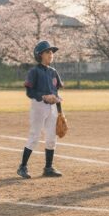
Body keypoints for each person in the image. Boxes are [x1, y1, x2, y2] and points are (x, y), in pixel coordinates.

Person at [18, 40, 63, 179]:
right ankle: (22, 167)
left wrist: (60, 112)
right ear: (40, 55)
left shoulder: (53, 72)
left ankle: (48, 168)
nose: (51, 55)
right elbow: (29, 92)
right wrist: (43, 96)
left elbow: (56, 93)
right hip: (38, 106)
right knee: (34, 136)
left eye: (52, 52)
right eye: (48, 52)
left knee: (51, 137)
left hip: (53, 107)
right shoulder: (34, 71)